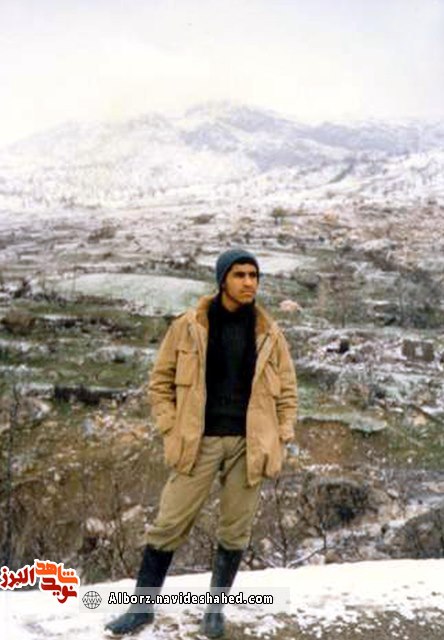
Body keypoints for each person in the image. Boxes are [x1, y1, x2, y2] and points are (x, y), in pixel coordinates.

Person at [105, 248, 297, 638]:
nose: (249, 283)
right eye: (240, 275)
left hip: (250, 445)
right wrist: (170, 427)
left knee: (235, 530)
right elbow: (160, 383)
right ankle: (141, 609)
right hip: (198, 442)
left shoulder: (269, 333)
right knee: (168, 523)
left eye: (254, 276)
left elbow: (288, 393)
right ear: (222, 280)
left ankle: (215, 610)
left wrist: (281, 435)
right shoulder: (188, 326)